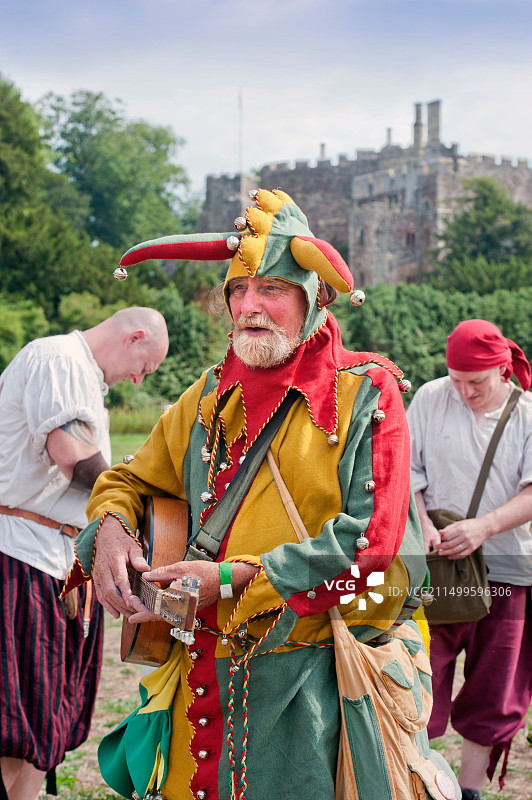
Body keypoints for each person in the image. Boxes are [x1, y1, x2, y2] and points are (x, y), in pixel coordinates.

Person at [64, 189, 448, 800]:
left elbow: (374, 549)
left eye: (271, 289)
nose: (249, 306)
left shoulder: (367, 392)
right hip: (199, 683)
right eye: (238, 290)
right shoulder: (207, 393)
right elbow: (130, 479)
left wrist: (235, 578)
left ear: (315, 297)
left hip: (309, 691)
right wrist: (110, 527)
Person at [0, 307, 169, 800]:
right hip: (20, 555)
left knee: (47, 718)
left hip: (57, 561)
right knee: (14, 720)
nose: (139, 380)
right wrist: (136, 495)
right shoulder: (59, 358)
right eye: (145, 367)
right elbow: (72, 457)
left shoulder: (86, 378)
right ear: (134, 336)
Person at [407, 319, 532, 800]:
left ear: (503, 369)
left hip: (507, 569)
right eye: (456, 380)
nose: (465, 392)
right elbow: (408, 471)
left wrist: (483, 527)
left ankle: (471, 791)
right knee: (419, 675)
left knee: (493, 685)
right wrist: (423, 523)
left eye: (476, 382)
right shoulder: (430, 397)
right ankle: (417, 784)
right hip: (438, 568)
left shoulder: (525, 414)